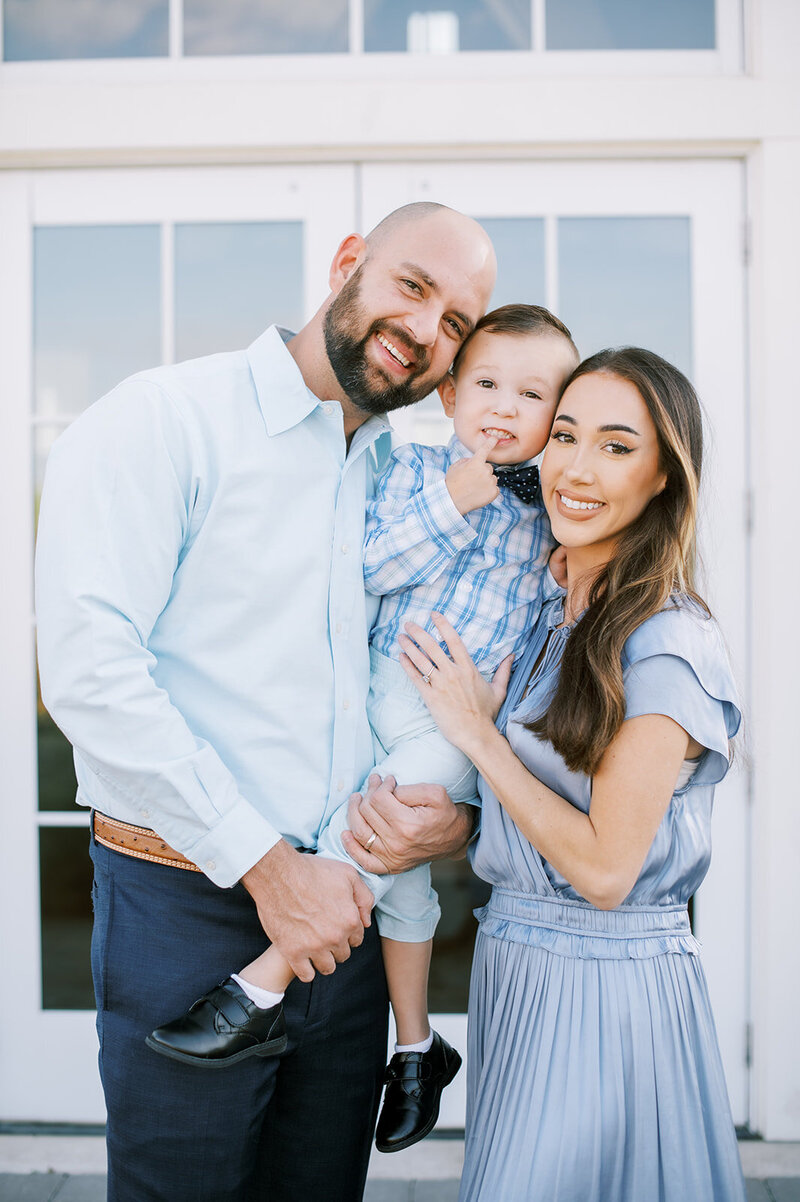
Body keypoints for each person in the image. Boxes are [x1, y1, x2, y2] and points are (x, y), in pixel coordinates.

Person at [34, 201, 496, 1202]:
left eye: (456, 322)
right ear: (347, 261)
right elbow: (88, 672)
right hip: (185, 910)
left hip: (351, 920)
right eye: (413, 286)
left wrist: (451, 819)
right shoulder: (163, 418)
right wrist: (266, 865)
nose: (425, 329)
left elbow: (441, 674)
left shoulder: (409, 481)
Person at [145, 304, 580, 1156]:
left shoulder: (552, 516)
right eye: (487, 385)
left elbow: (548, 633)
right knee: (402, 875)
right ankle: (417, 1048)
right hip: (376, 691)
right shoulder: (411, 469)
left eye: (532, 396)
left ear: (556, 419)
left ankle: (257, 989)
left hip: (455, 718)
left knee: (371, 835)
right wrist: (455, 500)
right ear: (449, 394)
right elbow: (369, 567)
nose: (504, 406)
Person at [350, 347, 747, 1201]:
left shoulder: (665, 642)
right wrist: (453, 823)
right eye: (564, 435)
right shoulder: (545, 612)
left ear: (664, 478)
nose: (575, 468)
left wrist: (476, 735)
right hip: (513, 974)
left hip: (606, 991)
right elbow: (526, 811)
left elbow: (605, 870)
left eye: (615, 446)